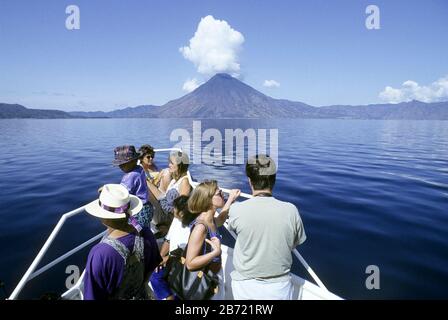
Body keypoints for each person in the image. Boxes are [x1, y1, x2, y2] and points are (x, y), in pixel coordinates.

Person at [228, 154, 307, 300]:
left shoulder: (237, 210)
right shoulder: (291, 210)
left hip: (244, 286)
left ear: (249, 181)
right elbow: (295, 243)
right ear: (274, 180)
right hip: (279, 287)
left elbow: (223, 223)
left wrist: (229, 202)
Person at [83, 184, 161, 300]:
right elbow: (152, 266)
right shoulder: (146, 233)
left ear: (104, 218)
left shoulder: (100, 253)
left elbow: (92, 295)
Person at [186, 180, 240, 300]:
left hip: (213, 276)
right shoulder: (200, 227)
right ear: (208, 200)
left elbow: (220, 219)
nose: (222, 193)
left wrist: (231, 199)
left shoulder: (210, 220)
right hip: (205, 280)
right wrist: (215, 253)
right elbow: (190, 264)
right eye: (219, 193)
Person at [149, 195, 194, 300]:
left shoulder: (194, 227)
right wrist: (159, 257)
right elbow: (168, 240)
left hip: (183, 263)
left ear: (182, 213)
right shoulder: (176, 220)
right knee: (154, 275)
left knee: (161, 279)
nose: (172, 210)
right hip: (172, 259)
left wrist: (167, 259)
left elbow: (187, 253)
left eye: (174, 208)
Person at [147, 151, 192, 235]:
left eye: (171, 163)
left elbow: (181, 210)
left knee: (144, 191)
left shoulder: (184, 182)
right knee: (145, 184)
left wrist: (169, 226)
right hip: (164, 208)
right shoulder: (175, 179)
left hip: (167, 217)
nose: (169, 165)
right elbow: (164, 197)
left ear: (180, 165)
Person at [113, 145, 153, 228]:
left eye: (123, 164)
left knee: (136, 233)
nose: (120, 166)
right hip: (146, 207)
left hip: (138, 210)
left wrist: (108, 190)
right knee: (145, 229)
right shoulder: (139, 169)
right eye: (119, 164)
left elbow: (121, 193)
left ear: (134, 161)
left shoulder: (130, 176)